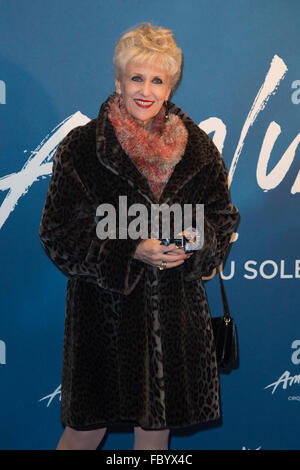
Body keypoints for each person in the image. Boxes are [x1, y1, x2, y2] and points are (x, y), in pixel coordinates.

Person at [39, 22, 240, 450]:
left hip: (175, 318)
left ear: (170, 87)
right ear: (118, 81)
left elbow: (222, 219)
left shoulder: (199, 150)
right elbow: (57, 232)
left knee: (155, 435)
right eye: (136, 78)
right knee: (85, 431)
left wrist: (195, 241)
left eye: (157, 79)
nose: (146, 90)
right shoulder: (82, 147)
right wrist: (131, 251)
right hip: (104, 321)